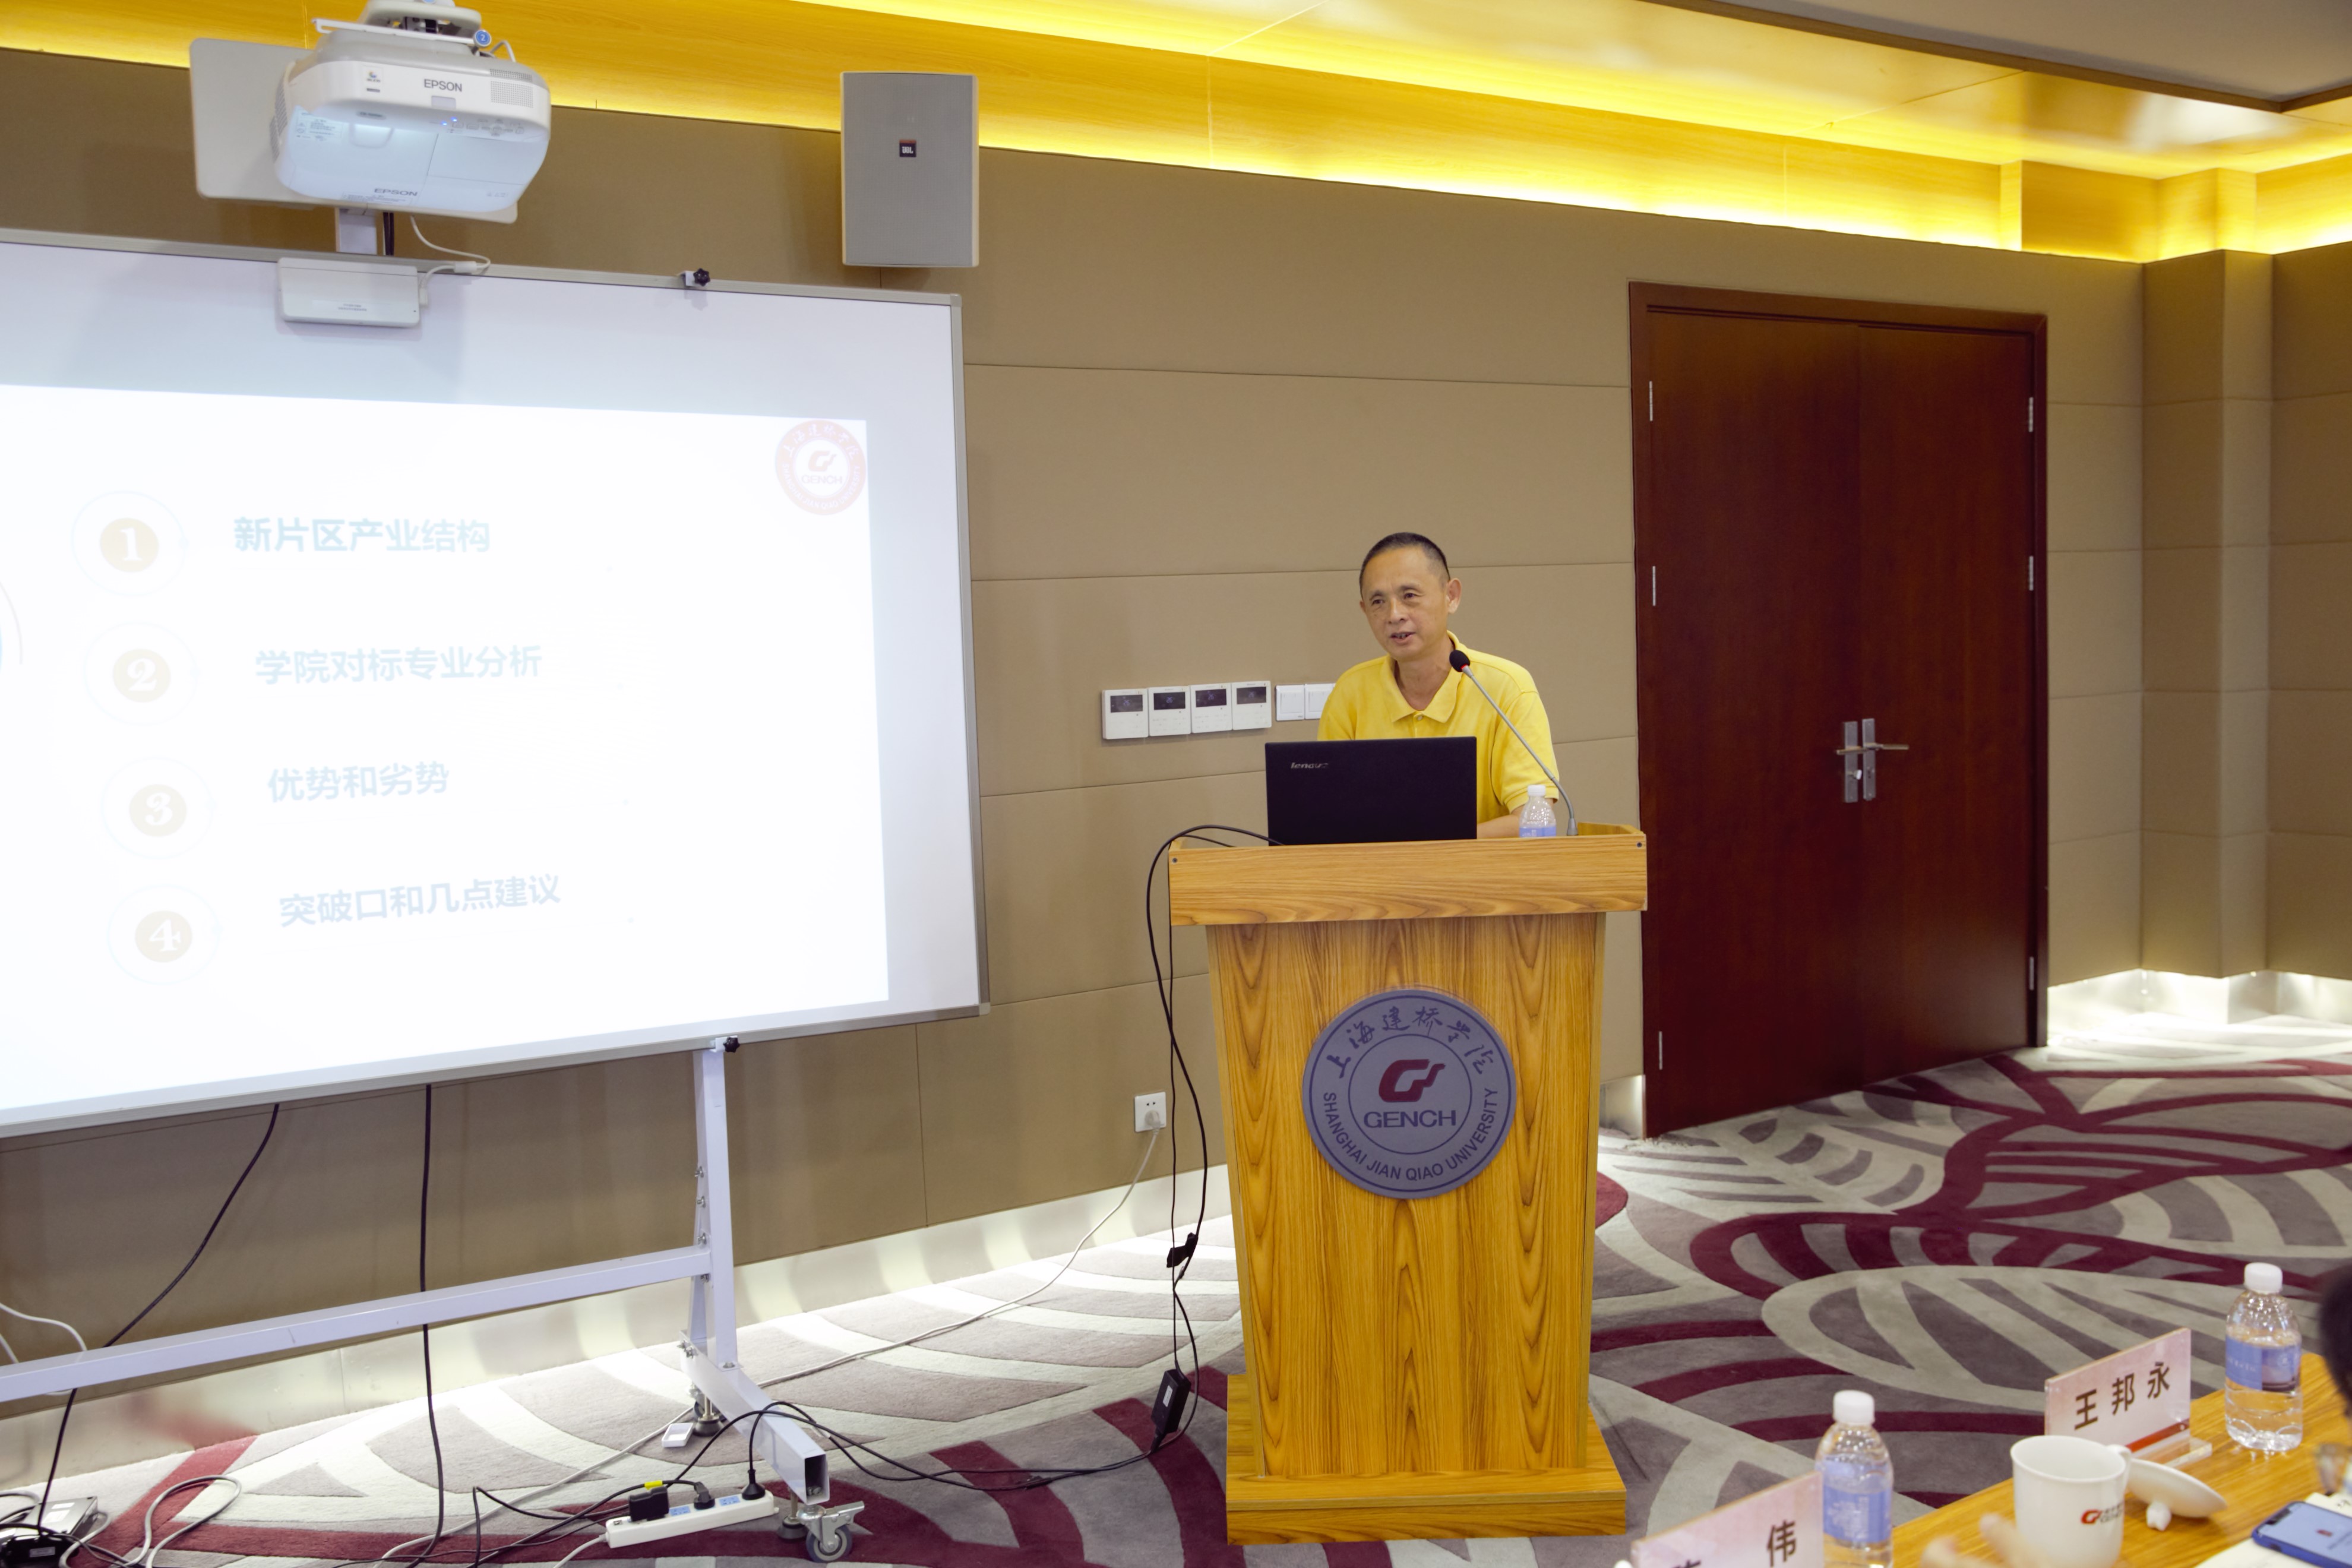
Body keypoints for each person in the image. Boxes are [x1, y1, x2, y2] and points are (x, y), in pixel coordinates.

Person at [1318, 532, 1561, 839]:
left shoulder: (1506, 687)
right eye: (1378, 602)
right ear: (1365, 610)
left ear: (1451, 596)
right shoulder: (1351, 692)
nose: (1394, 615)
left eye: (1410, 596)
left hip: (1480, 868)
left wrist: (1430, 846)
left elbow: (1533, 820)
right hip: (1379, 867)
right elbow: (1328, 815)